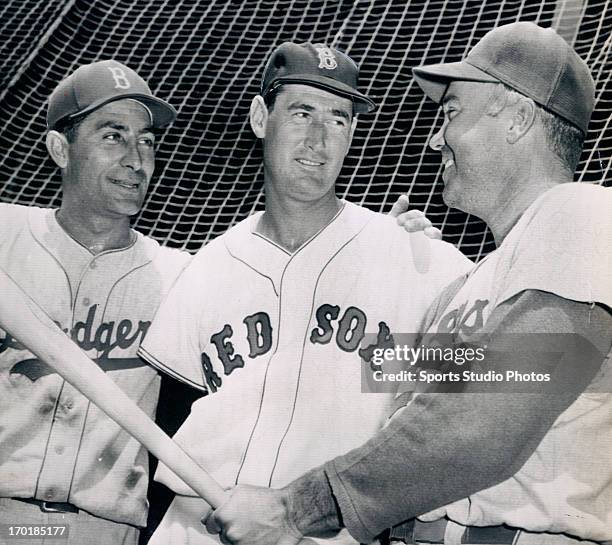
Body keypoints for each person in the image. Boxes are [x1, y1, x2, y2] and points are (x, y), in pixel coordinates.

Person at [204, 22, 612, 545]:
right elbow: (394, 402)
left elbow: (486, 423)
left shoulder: (584, 214)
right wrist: (381, 268)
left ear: (517, 119)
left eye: (451, 113)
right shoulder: (468, 283)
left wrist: (295, 509)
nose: (434, 138)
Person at [138, 42, 472, 545]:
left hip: (324, 532)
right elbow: (172, 411)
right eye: (301, 112)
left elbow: (523, 373)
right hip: (196, 526)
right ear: (259, 117)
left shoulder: (415, 260)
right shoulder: (206, 267)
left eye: (338, 119)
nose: (319, 138)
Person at [0, 60, 193, 545]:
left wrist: (397, 252)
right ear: (60, 148)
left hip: (100, 529)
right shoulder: (5, 235)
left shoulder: (181, 274)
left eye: (146, 141)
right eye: (113, 136)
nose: (136, 159)